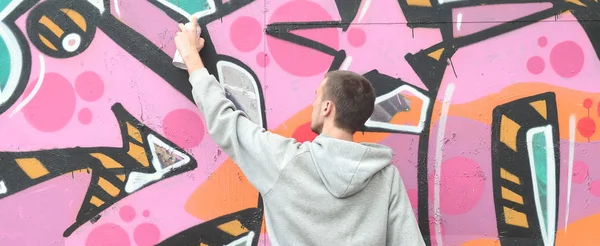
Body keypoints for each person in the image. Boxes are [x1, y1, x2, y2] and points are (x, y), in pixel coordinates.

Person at [174, 17, 425, 246]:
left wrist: (191, 58)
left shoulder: (284, 161)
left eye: (317, 97)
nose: (314, 103)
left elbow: (226, 122)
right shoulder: (386, 178)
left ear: (327, 107)